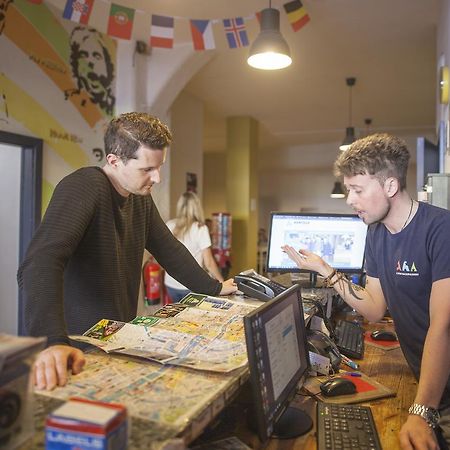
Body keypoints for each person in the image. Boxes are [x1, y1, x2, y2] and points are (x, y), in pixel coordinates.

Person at [17, 112, 237, 391]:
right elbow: (40, 263)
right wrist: (52, 341)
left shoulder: (139, 199)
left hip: (113, 338)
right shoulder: (83, 187)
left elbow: (169, 249)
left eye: (159, 167)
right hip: (74, 347)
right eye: (147, 169)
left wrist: (214, 288)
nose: (156, 178)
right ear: (114, 160)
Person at [282, 133, 450, 450]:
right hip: (431, 386)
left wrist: (421, 409)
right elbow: (373, 307)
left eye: (357, 190)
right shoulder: (376, 232)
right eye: (348, 190)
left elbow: (442, 327)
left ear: (389, 186)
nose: (349, 200)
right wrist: (326, 270)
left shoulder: (441, 230)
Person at [164, 192, 224, 302]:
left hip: (171, 284)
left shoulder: (170, 225)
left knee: (177, 316)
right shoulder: (200, 228)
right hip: (191, 285)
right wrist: (221, 282)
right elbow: (209, 262)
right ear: (197, 207)